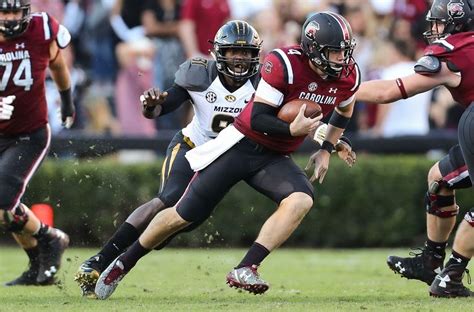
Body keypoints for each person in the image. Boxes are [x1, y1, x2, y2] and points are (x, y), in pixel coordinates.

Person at [93, 12, 360, 299]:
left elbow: (344, 111)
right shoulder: (284, 64)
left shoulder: (349, 76)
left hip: (273, 156)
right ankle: (123, 262)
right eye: (333, 52)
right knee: (181, 215)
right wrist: (292, 127)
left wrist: (325, 149)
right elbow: (258, 119)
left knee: (300, 199)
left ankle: (247, 267)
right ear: (312, 48)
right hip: (240, 144)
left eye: (343, 52)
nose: (340, 60)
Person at [75, 20, 263, 297]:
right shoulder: (200, 75)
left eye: (246, 53)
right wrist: (152, 104)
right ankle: (99, 261)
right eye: (234, 51)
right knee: (168, 199)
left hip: (222, 162)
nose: (240, 58)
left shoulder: (264, 85)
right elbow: (162, 107)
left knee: (180, 223)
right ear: (219, 52)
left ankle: (119, 257)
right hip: (191, 147)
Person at [356, 0, 474, 297]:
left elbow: (388, 91)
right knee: (439, 178)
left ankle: (451, 275)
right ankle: (431, 262)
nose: (432, 30)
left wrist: (340, 90)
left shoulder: (454, 50)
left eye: (437, 23)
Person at [0, 0, 74, 286]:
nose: (8, 19)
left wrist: (67, 101)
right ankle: (36, 265)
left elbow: (57, 63)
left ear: (25, 12)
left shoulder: (41, 29)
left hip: (29, 134)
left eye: (14, 12)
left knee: (3, 199)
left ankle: (50, 238)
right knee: (7, 205)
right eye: (3, 12)